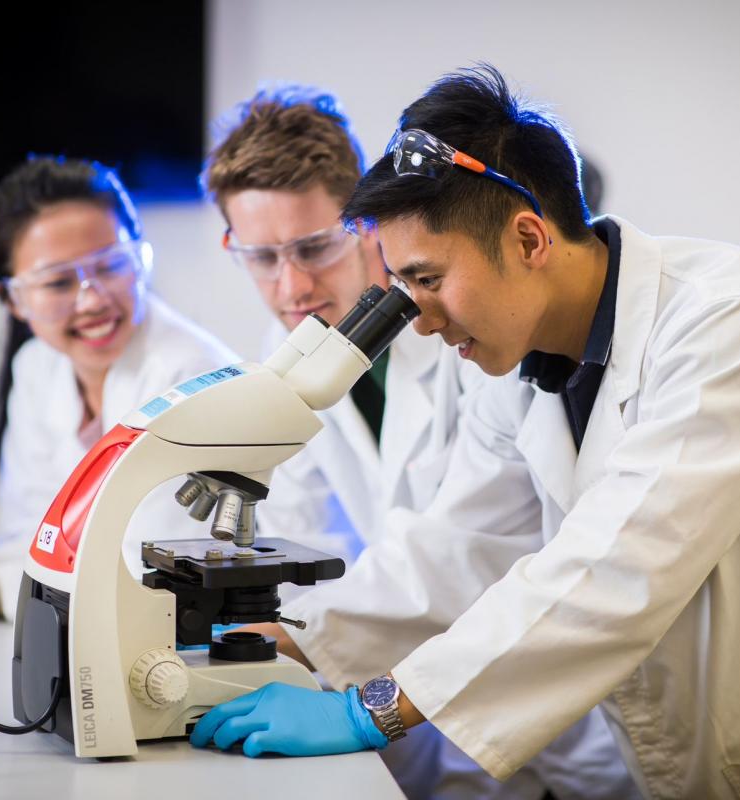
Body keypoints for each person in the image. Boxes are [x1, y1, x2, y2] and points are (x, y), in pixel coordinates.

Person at [190, 65, 740, 799]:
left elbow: (621, 570)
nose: (417, 313)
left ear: (528, 237)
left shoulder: (736, 324)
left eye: (428, 279)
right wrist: (297, 644)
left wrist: (374, 709)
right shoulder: (518, 368)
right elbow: (457, 546)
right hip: (731, 753)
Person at [201, 85, 636, 799]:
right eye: (259, 257)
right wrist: (268, 637)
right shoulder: (293, 361)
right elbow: (306, 540)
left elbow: (462, 548)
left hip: (564, 711)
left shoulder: (483, 335)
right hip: (446, 711)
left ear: (364, 227)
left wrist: (332, 670)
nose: (292, 285)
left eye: (314, 246)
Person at [0, 157, 237, 624]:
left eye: (112, 266)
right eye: (58, 282)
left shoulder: (191, 373)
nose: (93, 299)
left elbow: (160, 569)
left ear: (140, 258)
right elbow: (30, 530)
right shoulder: (38, 366)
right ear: (12, 298)